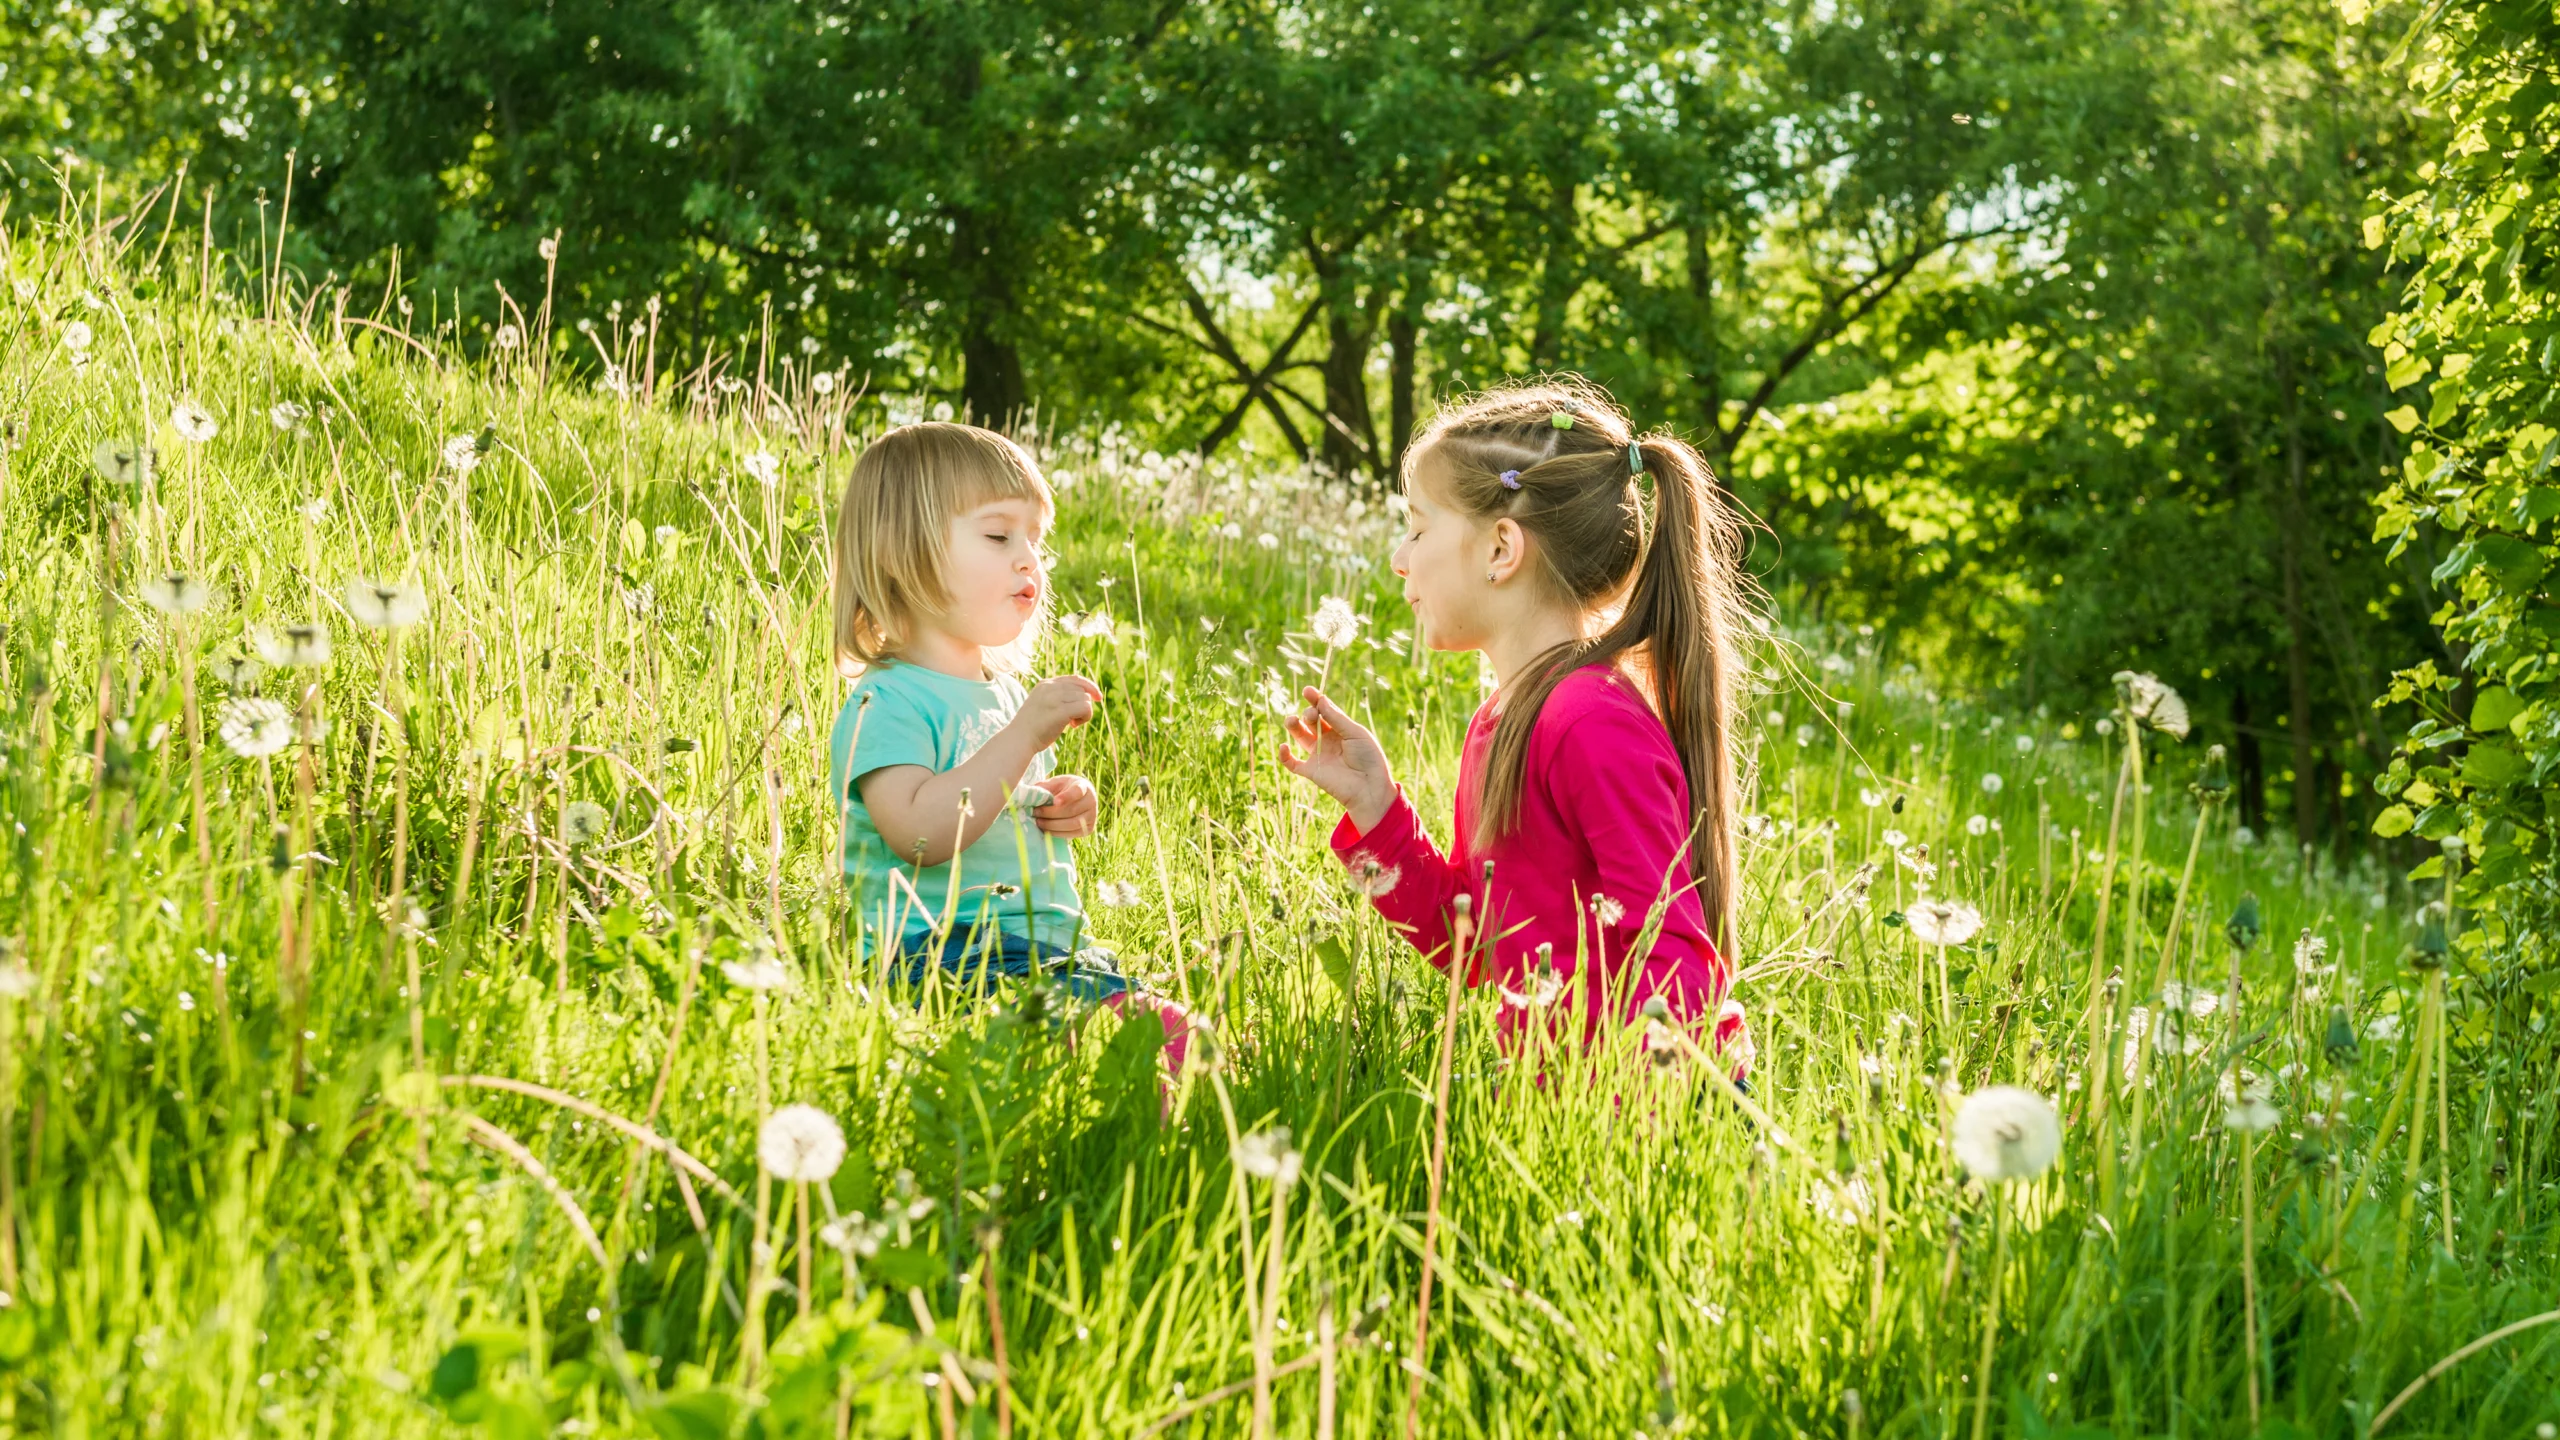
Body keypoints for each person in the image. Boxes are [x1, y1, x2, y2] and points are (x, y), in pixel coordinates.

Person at [1277, 381, 1752, 1075]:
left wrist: (1629, 1136)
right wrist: (1376, 808)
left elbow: (1672, 955)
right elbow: (1472, 947)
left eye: (1417, 527)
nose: (1398, 558)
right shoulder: (1503, 722)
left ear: (1502, 549)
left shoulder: (1589, 721)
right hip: (1559, 1121)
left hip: (1654, 1113)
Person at [828, 421, 1189, 1069]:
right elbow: (917, 835)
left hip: (1049, 947)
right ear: (899, 551)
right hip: (941, 954)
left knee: (1172, 1038)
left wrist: (1061, 803)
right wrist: (1022, 736)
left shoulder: (1003, 692)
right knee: (1145, 1037)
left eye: (1036, 542)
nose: (1030, 559)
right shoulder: (889, 702)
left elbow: (1004, 803)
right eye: (999, 536)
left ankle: (1148, 1145)